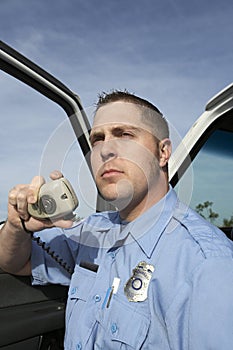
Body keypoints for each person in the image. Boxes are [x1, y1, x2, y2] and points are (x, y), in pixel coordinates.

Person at [0, 90, 233, 350]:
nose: (105, 150)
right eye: (97, 140)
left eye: (125, 134)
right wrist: (17, 226)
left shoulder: (207, 264)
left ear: (163, 153)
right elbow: (15, 262)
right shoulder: (91, 231)